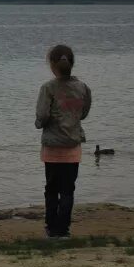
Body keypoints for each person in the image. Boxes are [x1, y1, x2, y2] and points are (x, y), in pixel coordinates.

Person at [35, 45, 92, 238]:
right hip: (73, 146)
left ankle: (51, 228)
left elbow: (42, 116)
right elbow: (83, 114)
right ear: (72, 63)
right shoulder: (83, 88)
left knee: (51, 188)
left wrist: (38, 123)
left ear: (52, 65)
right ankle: (64, 228)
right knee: (68, 189)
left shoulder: (48, 88)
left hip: (52, 146)